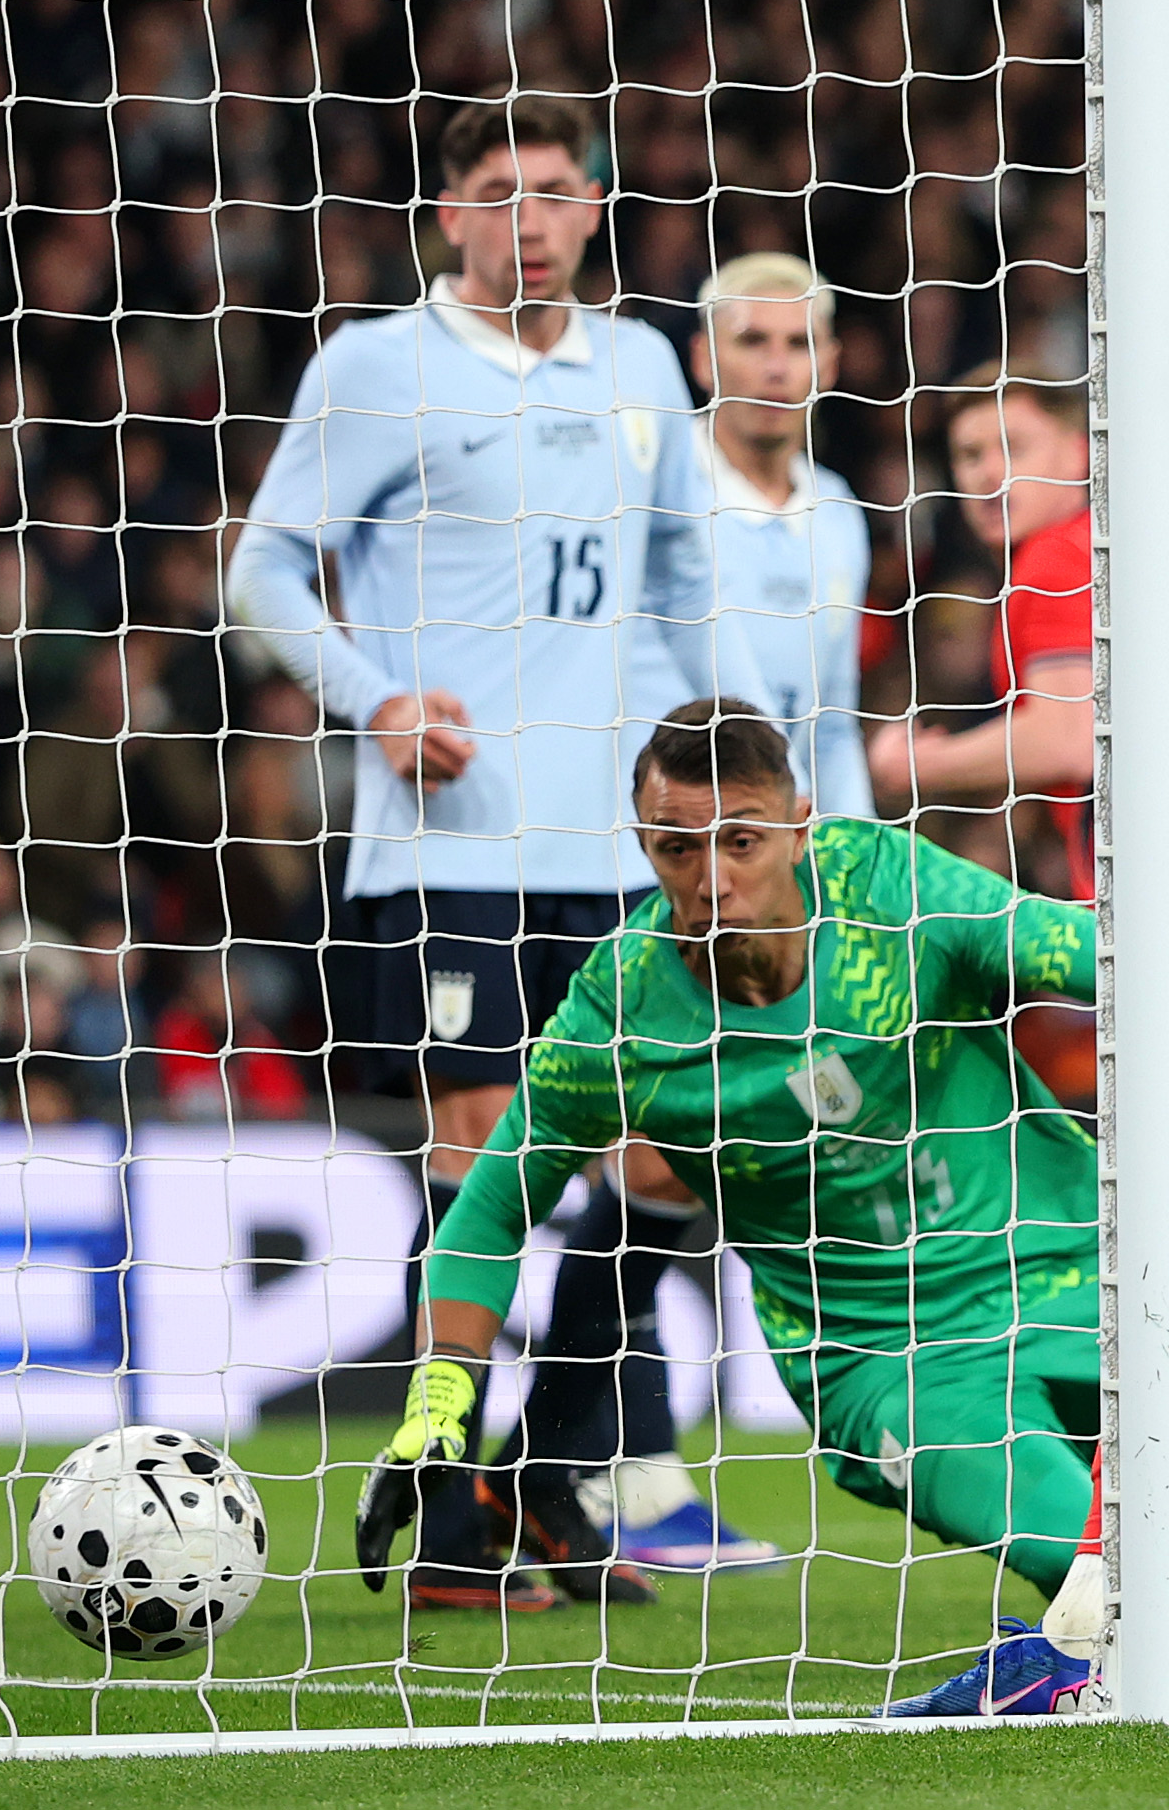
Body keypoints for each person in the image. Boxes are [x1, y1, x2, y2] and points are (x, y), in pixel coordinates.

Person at [353, 699, 1169, 1715]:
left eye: (739, 841)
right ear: (644, 847)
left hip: (1072, 1262)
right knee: (1105, 1569)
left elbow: (1054, 939)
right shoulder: (622, 1010)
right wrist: (443, 1390)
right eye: (674, 847)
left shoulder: (886, 890)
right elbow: (498, 1196)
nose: (709, 879)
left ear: (799, 825)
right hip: (887, 1357)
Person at [229, 94, 757, 1599]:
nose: (527, 216)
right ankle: (458, 1514)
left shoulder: (646, 366)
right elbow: (262, 566)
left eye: (552, 189)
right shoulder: (378, 367)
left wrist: (711, 779)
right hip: (449, 849)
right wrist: (372, 697)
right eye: (494, 191)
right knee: (482, 1178)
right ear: (448, 215)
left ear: (594, 206)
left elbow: (675, 587)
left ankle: (535, 1467)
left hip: (618, 858)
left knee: (675, 1168)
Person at [871, 368, 1169, 1101]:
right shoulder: (1117, 561)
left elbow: (1065, 738)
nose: (986, 474)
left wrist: (918, 764)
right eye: (969, 456)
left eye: (1011, 446)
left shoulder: (1052, 564)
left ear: (1076, 453)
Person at [684, 252, 874, 824]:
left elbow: (834, 721)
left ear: (830, 364)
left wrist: (855, 848)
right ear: (703, 358)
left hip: (786, 833)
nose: (777, 367)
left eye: (798, 344)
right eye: (752, 341)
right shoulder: (660, 493)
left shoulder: (837, 512)